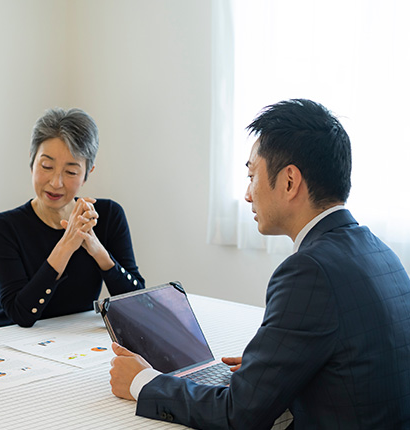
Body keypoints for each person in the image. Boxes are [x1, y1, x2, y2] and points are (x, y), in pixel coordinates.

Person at [109, 99, 410, 428]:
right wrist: (271, 370)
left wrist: (143, 382)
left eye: (252, 175)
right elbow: (356, 365)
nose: (248, 194)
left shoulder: (309, 271)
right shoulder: (381, 253)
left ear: (289, 182)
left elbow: (239, 414)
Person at [0, 107, 145, 328]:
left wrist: (98, 250)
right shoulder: (4, 227)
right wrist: (66, 246)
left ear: (88, 173)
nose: (56, 182)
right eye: (47, 166)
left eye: (71, 172)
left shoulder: (108, 215)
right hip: (13, 340)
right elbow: (21, 315)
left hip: (74, 341)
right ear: (32, 162)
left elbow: (137, 304)